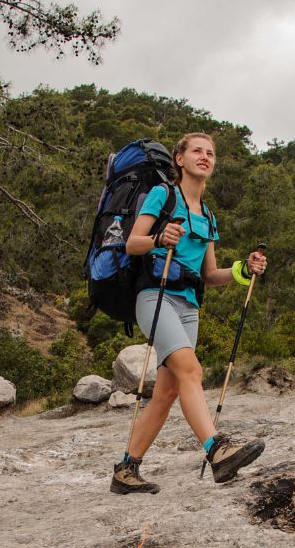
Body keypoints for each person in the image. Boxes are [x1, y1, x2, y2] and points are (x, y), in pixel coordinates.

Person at [110, 132, 268, 495]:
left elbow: (210, 274)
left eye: (210, 153)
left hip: (189, 306)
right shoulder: (163, 195)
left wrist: (244, 269)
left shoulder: (208, 216)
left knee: (167, 392)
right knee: (192, 371)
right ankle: (217, 449)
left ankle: (126, 470)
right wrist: (158, 239)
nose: (205, 156)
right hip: (156, 296)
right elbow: (133, 243)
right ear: (179, 159)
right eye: (197, 150)